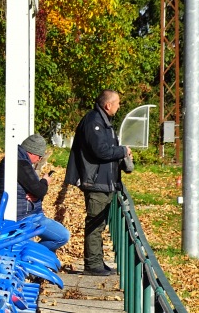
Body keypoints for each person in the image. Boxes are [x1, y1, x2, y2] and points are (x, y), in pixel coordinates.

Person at [64, 89, 133, 276]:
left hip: (104, 182)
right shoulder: (94, 122)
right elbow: (101, 151)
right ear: (107, 105)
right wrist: (122, 151)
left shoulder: (103, 121)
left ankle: (97, 261)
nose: (119, 106)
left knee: (100, 223)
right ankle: (92, 264)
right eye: (117, 102)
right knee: (95, 223)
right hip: (95, 181)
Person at [0, 133, 70, 252]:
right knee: (62, 236)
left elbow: (34, 189)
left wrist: (35, 194)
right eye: (39, 156)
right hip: (24, 216)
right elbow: (39, 191)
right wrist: (44, 181)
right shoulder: (21, 163)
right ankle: (30, 254)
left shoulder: (16, 158)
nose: (39, 160)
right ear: (32, 152)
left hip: (22, 211)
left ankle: (30, 254)